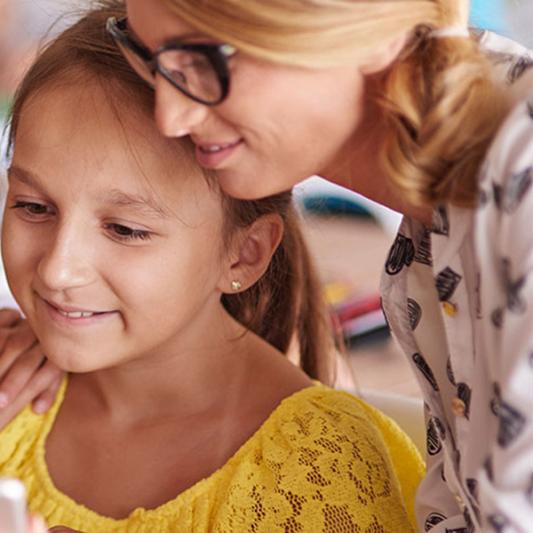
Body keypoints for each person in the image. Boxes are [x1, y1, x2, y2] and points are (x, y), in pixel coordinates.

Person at [105, 0, 531, 530]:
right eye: (150, 56)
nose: (170, 115)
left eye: (209, 57)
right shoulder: (434, 241)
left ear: (375, 30)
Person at [0, 4, 424, 532]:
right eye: (33, 207)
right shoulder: (9, 385)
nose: (57, 272)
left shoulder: (317, 479)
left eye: (126, 230)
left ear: (243, 255)